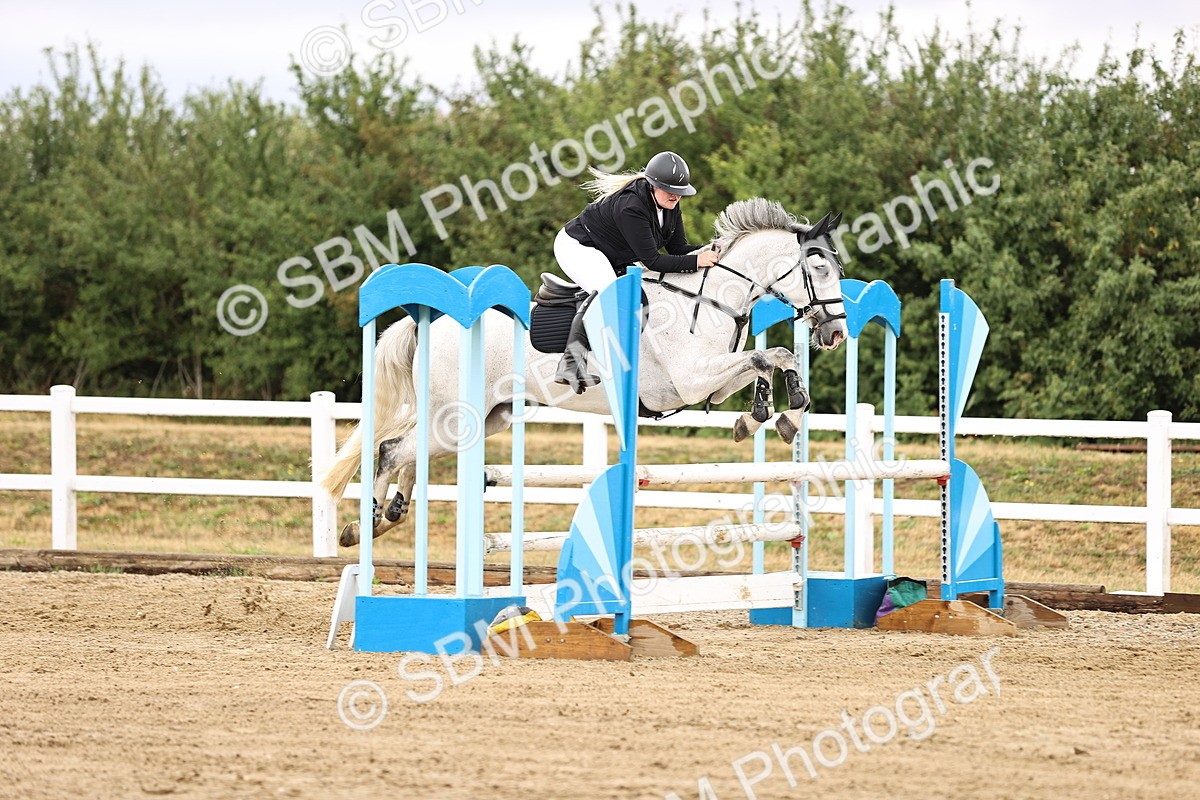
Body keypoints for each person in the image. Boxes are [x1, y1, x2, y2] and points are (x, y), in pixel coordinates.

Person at [552, 151, 720, 393]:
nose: (676, 196)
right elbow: (653, 260)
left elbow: (678, 249)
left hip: (610, 253)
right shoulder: (631, 206)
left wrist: (713, 249)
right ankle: (569, 363)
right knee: (608, 291)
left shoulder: (670, 205)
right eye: (670, 190)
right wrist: (697, 262)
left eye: (680, 191)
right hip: (578, 246)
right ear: (653, 186)